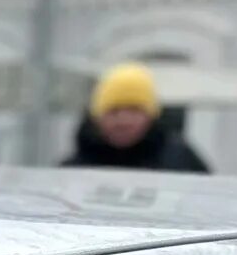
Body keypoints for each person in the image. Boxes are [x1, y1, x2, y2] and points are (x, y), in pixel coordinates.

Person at [63, 61, 211, 172]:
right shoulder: (73, 171)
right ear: (97, 117)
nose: (123, 120)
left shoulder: (182, 163)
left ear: (152, 115)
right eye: (113, 111)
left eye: (134, 110)